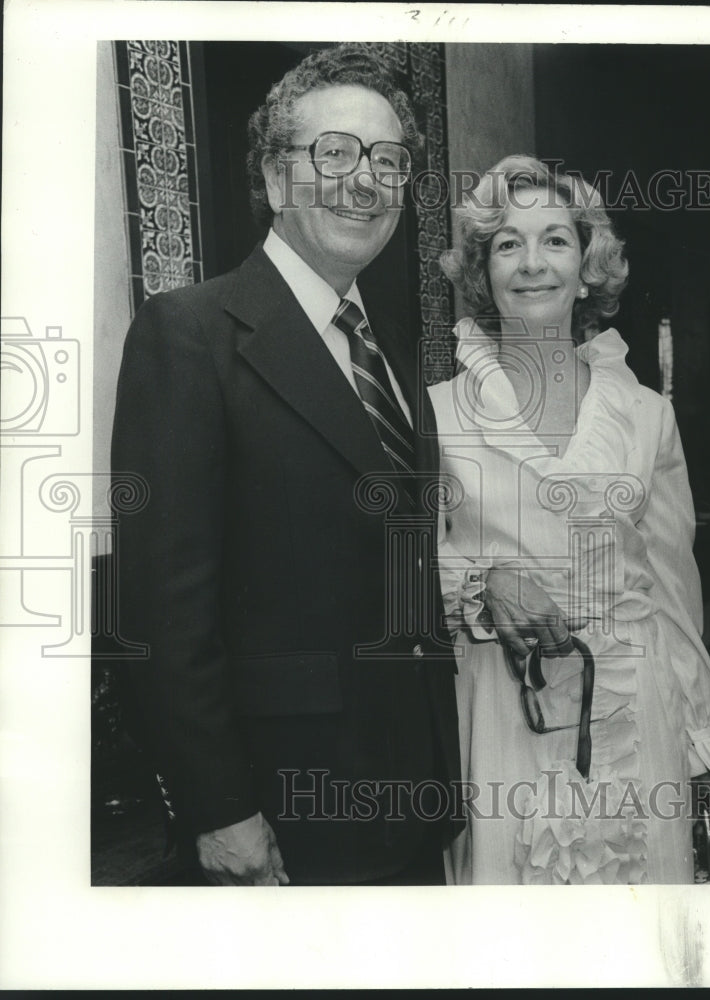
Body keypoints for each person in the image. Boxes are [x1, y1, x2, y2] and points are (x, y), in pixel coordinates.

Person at [111, 44, 462, 887]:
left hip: (412, 797)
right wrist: (218, 807)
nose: (366, 180)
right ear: (274, 180)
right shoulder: (189, 334)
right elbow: (159, 612)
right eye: (333, 153)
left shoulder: (393, 351)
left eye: (388, 160)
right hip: (283, 803)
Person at [429, 154, 710, 884]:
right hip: (499, 705)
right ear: (481, 269)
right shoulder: (435, 412)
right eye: (507, 243)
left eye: (555, 240)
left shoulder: (644, 415)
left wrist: (693, 732)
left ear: (588, 264)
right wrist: (481, 582)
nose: (531, 264)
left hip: (632, 705)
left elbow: (670, 585)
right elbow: (395, 568)